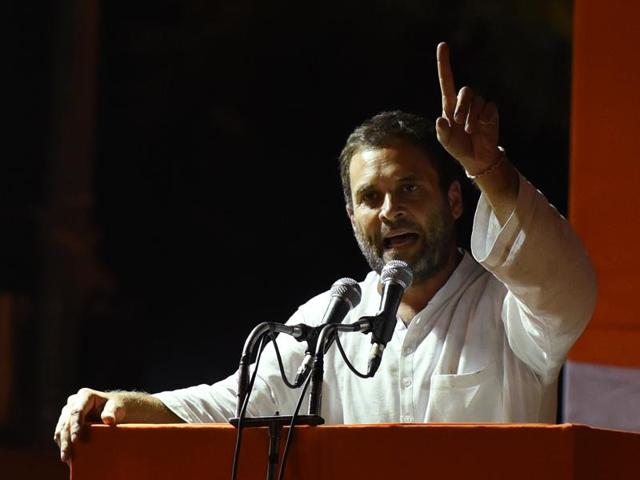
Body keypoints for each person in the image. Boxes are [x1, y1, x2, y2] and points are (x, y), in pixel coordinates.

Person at [54, 42, 597, 462]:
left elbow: (569, 289)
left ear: (455, 199)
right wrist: (123, 405)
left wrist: (490, 171)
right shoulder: (331, 321)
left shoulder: (509, 311)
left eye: (409, 188)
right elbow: (232, 405)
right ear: (351, 219)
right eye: (370, 198)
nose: (390, 211)